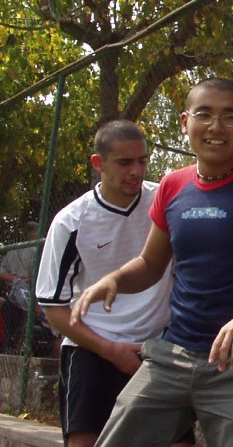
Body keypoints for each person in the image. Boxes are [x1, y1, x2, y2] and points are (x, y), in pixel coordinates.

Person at [72, 78, 233, 447]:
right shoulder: (173, 186)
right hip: (171, 356)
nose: (215, 127)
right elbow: (150, 264)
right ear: (185, 121)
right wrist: (114, 280)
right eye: (204, 114)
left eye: (230, 117)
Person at [35, 120, 187, 447]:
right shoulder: (70, 222)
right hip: (93, 348)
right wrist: (111, 351)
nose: (136, 171)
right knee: (84, 440)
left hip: (158, 347)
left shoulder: (167, 202)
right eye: (124, 162)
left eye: (142, 161)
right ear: (98, 163)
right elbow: (53, 308)